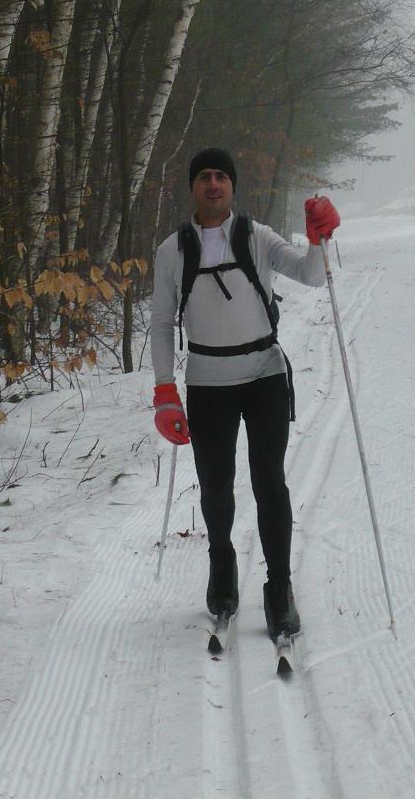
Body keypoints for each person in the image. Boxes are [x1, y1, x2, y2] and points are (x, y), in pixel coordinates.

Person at [150, 147, 340, 639]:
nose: (213, 184)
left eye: (221, 177)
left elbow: (313, 275)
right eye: (204, 177)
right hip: (208, 383)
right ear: (192, 187)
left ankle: (280, 589)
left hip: (264, 376)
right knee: (215, 490)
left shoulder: (257, 237)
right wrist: (165, 391)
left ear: (232, 186)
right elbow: (160, 325)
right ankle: (222, 572)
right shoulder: (172, 251)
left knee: (269, 484)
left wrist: (320, 237)